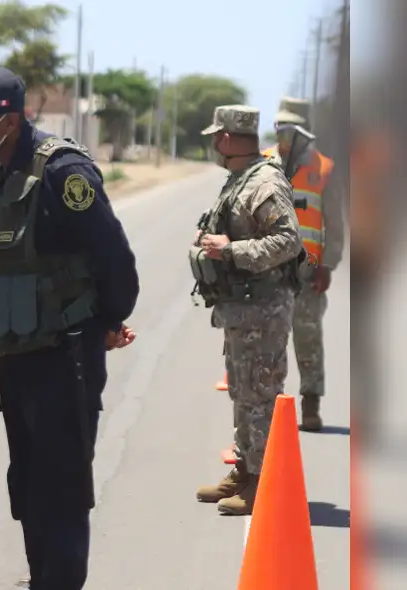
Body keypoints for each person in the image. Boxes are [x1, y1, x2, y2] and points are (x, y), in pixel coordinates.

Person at [0, 66, 139, 590]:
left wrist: (108, 322)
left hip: (66, 355)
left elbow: (113, 255)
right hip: (17, 355)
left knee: (63, 491)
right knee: (28, 486)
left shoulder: (61, 172)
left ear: (10, 119)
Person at [190, 105, 303, 516]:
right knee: (243, 391)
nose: (213, 146)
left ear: (224, 139)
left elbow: (288, 240)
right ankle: (245, 469)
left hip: (264, 310)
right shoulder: (241, 179)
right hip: (244, 309)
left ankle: (262, 483)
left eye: (214, 138)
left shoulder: (265, 182)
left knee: (260, 393)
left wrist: (230, 250)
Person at [261, 97, 345, 432]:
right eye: (280, 127)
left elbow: (335, 225)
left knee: (308, 338)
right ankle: (266, 405)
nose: (283, 135)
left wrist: (329, 265)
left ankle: (311, 405)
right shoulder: (263, 163)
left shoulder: (325, 169)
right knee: (267, 340)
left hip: (308, 273)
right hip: (267, 270)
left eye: (290, 129)